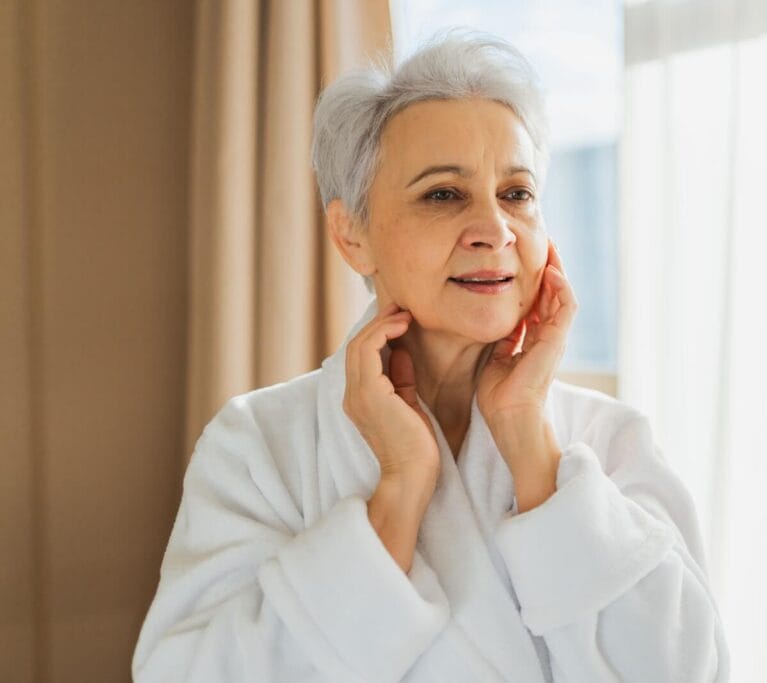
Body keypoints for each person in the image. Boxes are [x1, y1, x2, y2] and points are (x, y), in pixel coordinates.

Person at [132, 27, 729, 682]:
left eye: (517, 194)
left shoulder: (610, 439)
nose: (495, 229)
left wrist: (532, 449)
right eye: (443, 194)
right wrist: (398, 490)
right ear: (352, 235)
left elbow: (687, 669)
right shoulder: (259, 446)